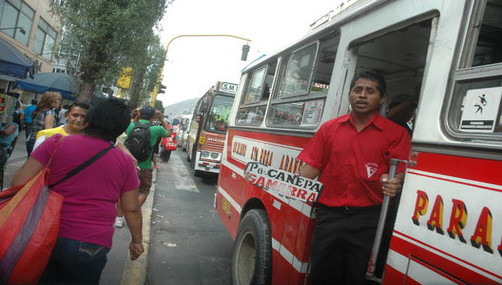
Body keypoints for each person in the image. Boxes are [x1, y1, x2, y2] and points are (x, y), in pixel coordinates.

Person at [11, 99, 144, 284]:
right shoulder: (124, 162)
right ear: (121, 128)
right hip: (91, 241)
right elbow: (131, 208)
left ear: (91, 118)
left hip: (44, 231)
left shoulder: (55, 144)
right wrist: (137, 241)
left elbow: (19, 182)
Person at [297, 71, 411, 284]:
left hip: (369, 220)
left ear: (382, 98)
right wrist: (279, 181)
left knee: (357, 278)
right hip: (329, 217)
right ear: (349, 94)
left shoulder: (396, 134)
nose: (362, 95)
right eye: (357, 90)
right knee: (321, 275)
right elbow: (310, 169)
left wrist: (395, 182)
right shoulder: (330, 128)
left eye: (370, 91)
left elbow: (400, 172)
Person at [126, 106, 170, 207]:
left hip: (128, 164)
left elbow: (133, 122)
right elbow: (168, 133)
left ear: (140, 114)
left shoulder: (131, 125)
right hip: (144, 166)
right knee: (143, 191)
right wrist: (161, 119)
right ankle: (133, 211)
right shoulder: (156, 129)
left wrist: (137, 115)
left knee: (124, 191)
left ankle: (119, 218)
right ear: (153, 116)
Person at [26, 92, 61, 156]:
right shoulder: (49, 112)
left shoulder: (40, 110)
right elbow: (48, 131)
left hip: (32, 139)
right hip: (40, 143)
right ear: (51, 101)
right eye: (58, 100)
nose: (59, 102)